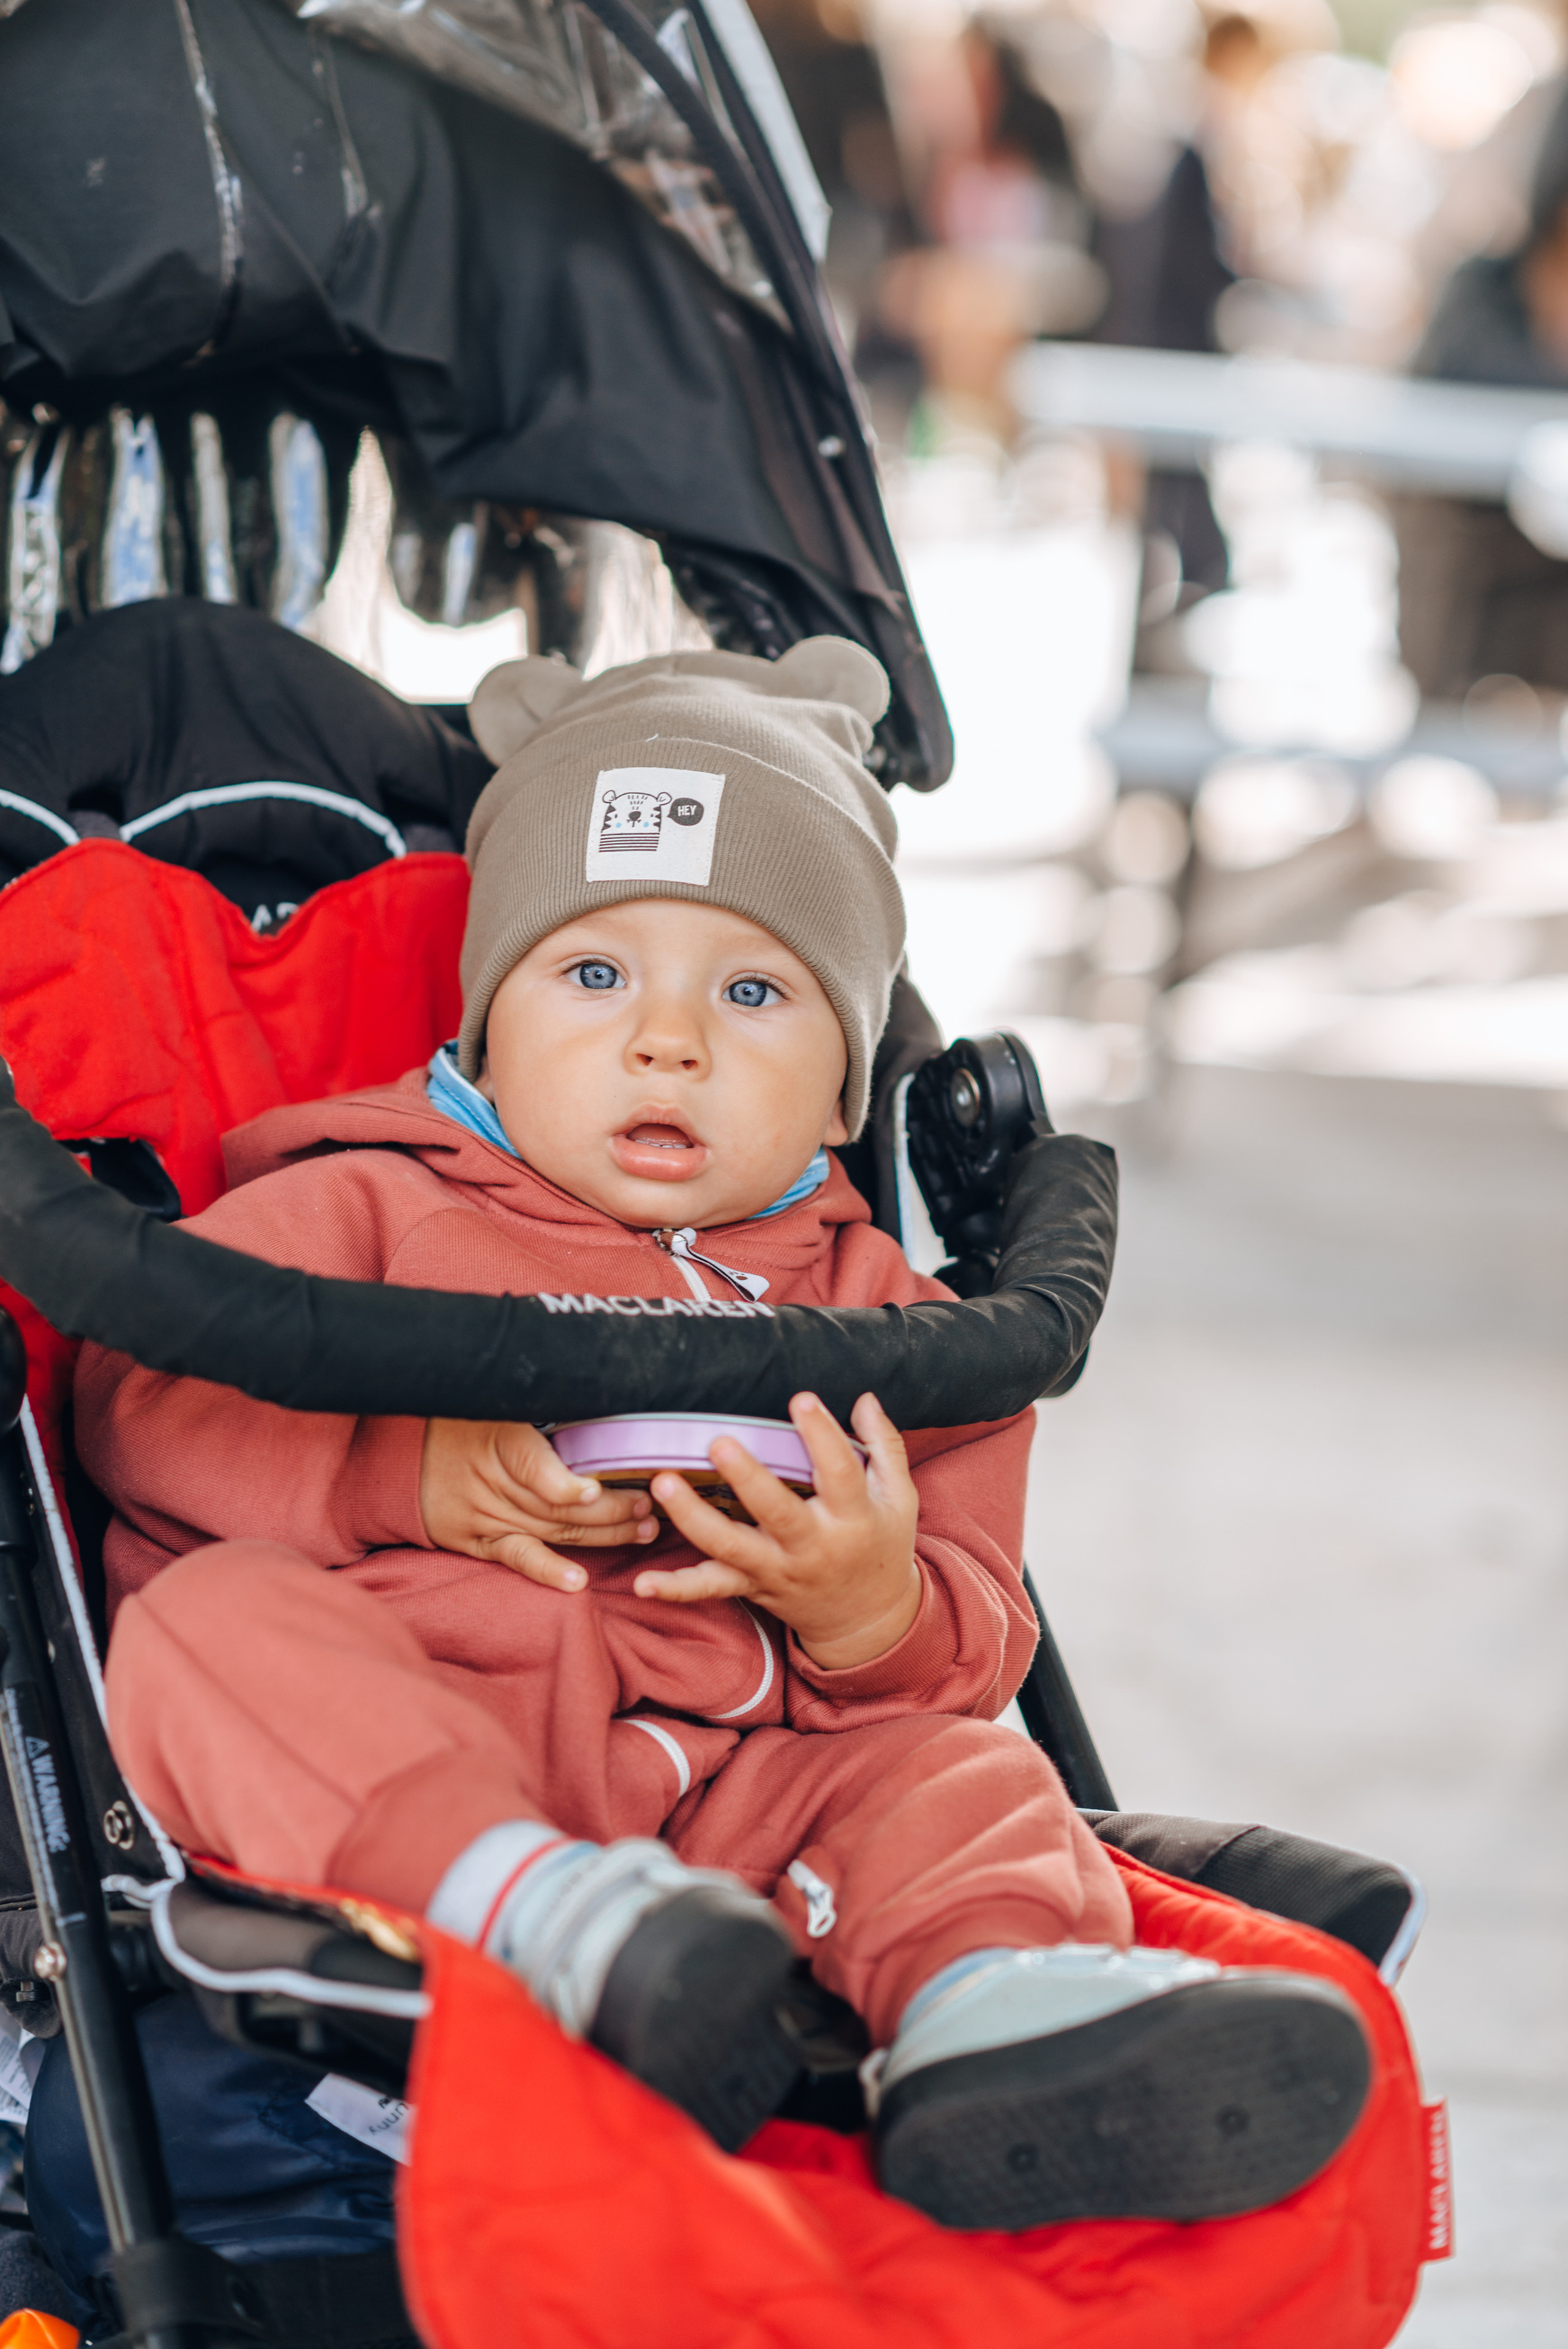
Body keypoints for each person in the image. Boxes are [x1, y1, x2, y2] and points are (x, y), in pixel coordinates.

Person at [74, 637, 1367, 2232]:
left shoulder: (886, 1309)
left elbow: (976, 1630)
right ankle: (543, 1914)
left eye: (753, 993)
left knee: (961, 1769)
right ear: (484, 1027)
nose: (666, 1040)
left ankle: (996, 2012)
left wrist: (874, 1606)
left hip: (755, 1798)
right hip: (428, 1750)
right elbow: (142, 1404)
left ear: (843, 1093)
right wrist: (405, 1471)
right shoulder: (359, 1207)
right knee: (204, 1630)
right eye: (593, 976)